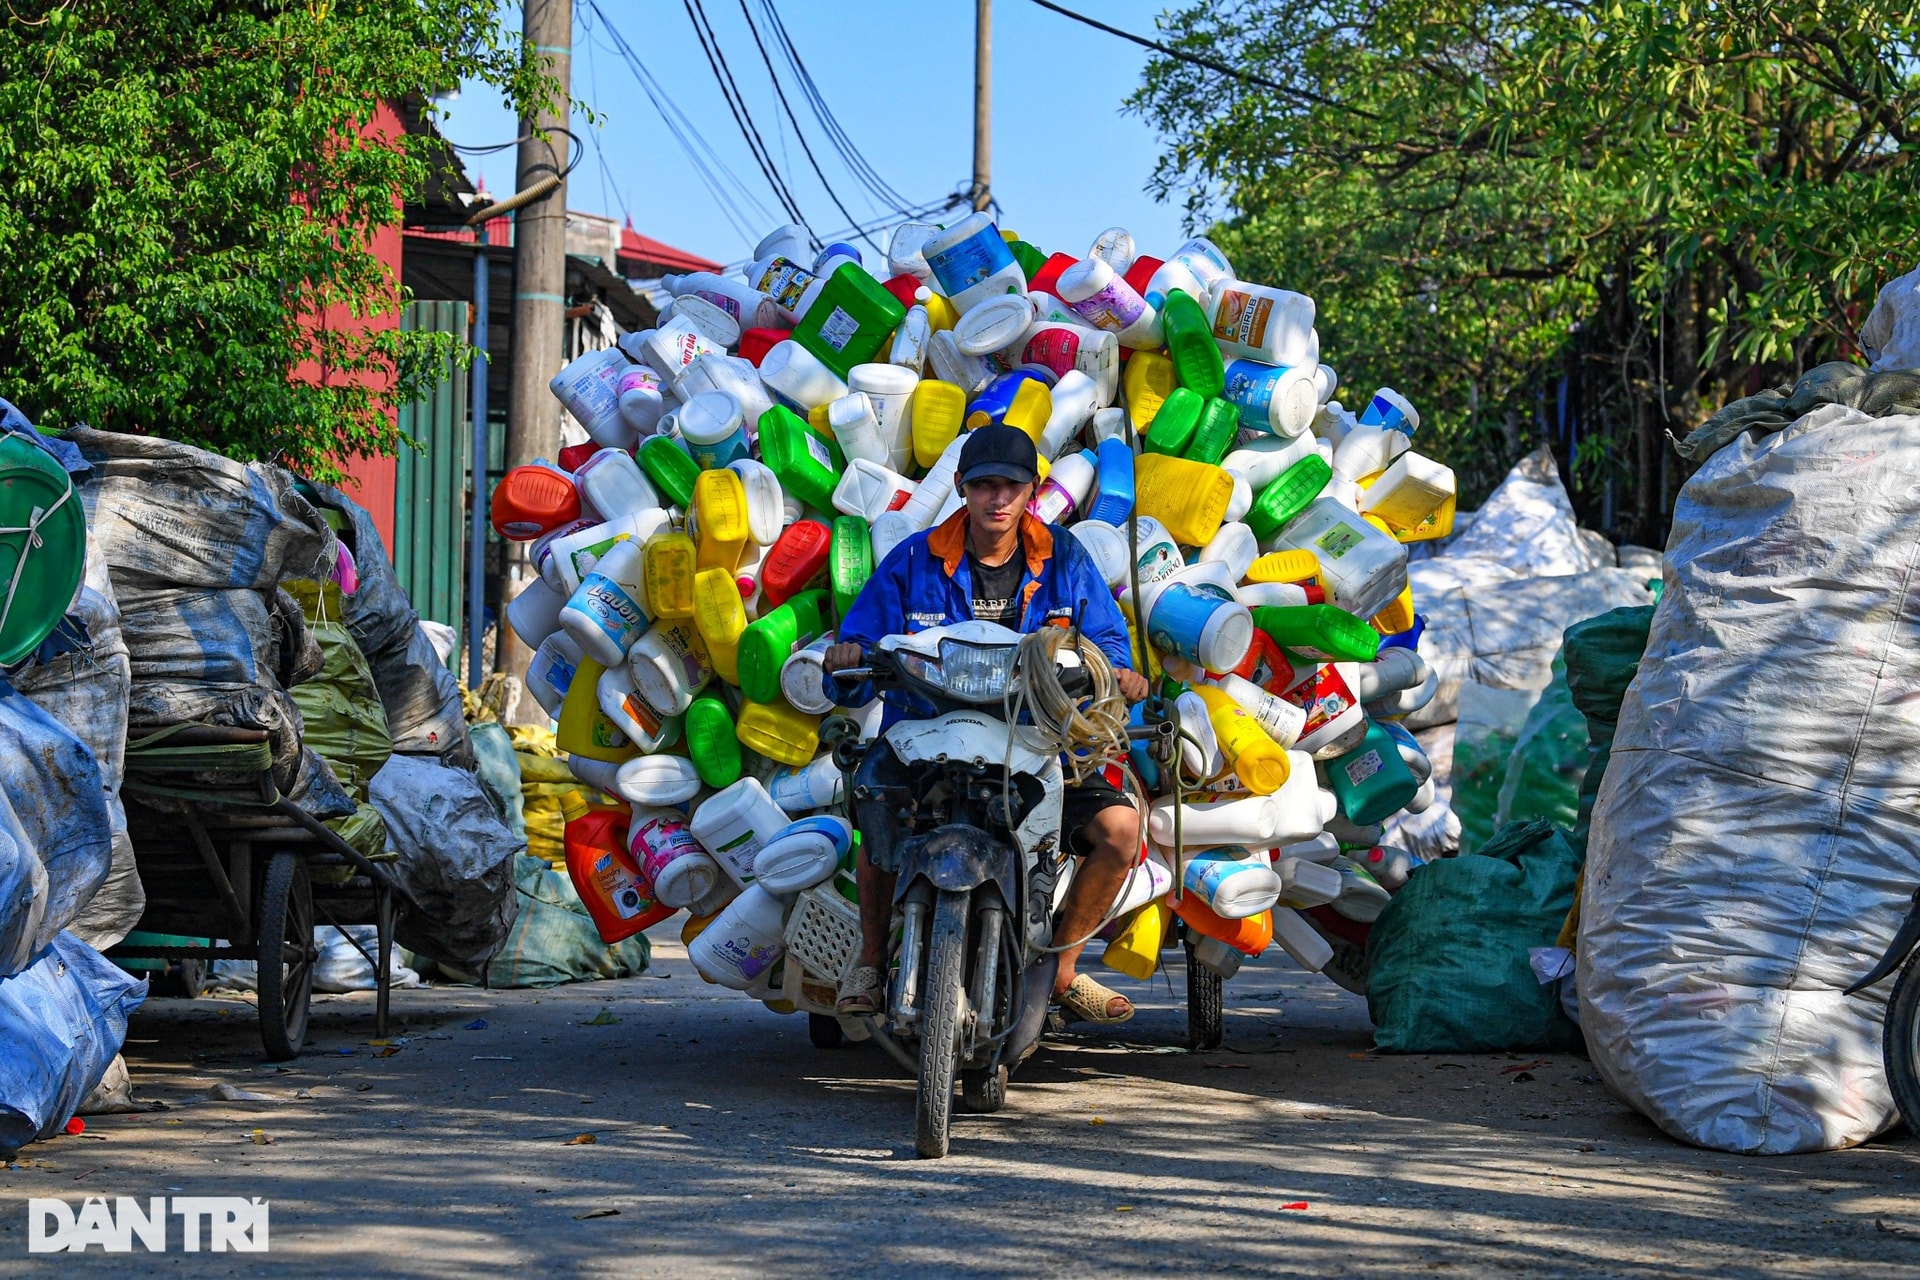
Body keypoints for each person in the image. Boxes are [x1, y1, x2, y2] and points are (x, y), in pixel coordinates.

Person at [822, 423, 1151, 1024]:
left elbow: (1107, 639)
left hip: (1038, 741)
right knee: (874, 799)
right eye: (983, 486)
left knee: (1121, 833)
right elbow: (862, 641)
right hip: (926, 740)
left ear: (1032, 491)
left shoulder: (1065, 557)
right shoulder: (914, 559)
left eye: (1011, 486)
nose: (997, 499)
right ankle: (870, 960)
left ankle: (1064, 969)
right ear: (960, 488)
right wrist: (849, 657)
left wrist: (1121, 674)